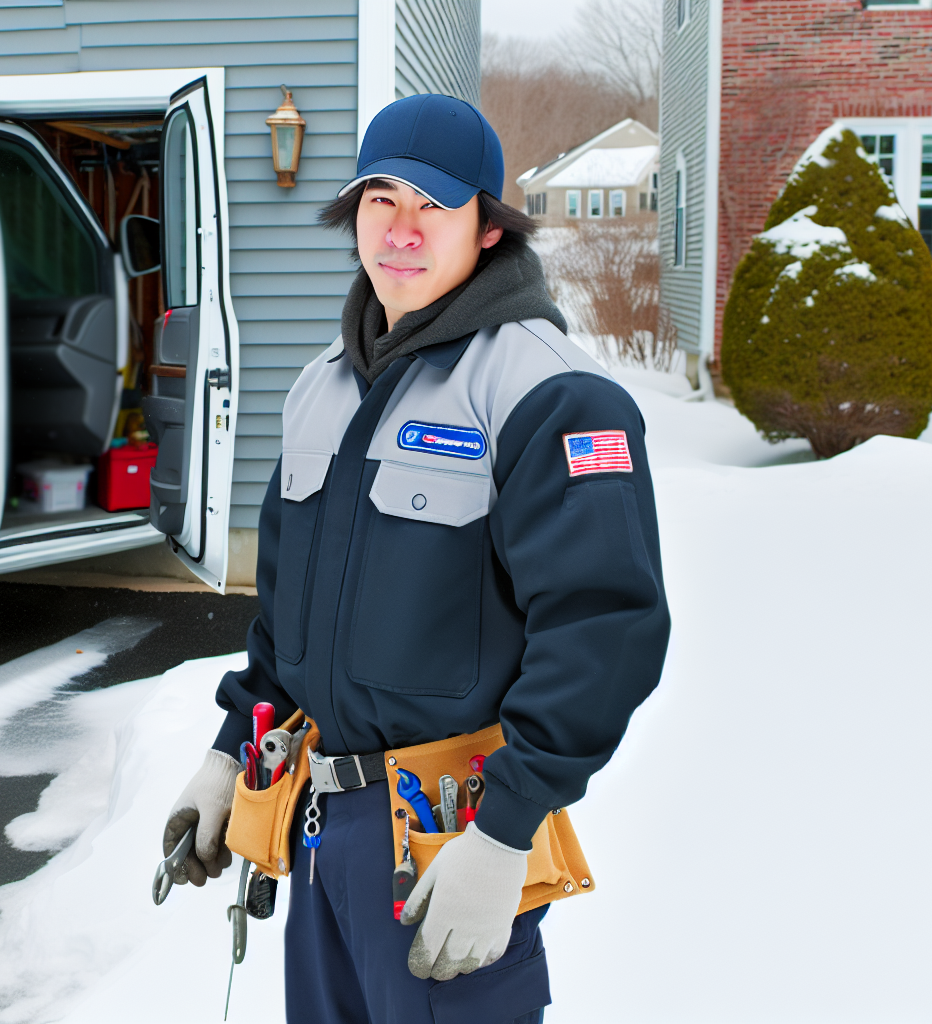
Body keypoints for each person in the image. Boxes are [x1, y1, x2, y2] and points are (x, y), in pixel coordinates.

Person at [161, 93, 670, 1024]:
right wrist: (231, 753)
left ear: (487, 229)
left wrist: (505, 831)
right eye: (379, 198)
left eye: (433, 205)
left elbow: (608, 629)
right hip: (320, 830)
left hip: (445, 839)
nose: (401, 228)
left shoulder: (547, 394)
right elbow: (288, 616)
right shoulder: (323, 389)